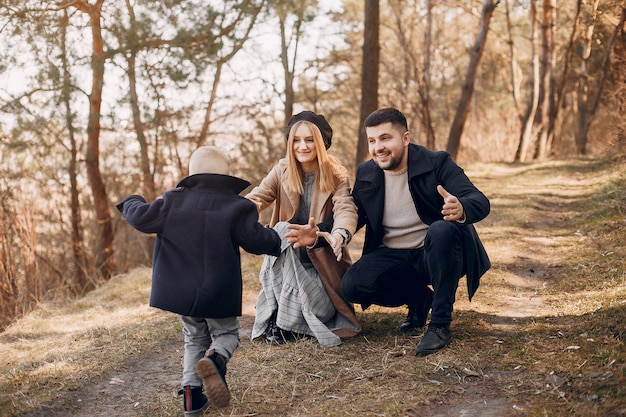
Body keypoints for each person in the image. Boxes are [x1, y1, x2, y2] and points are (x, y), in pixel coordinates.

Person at [116, 146, 281, 415]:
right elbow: (256, 240)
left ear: (191, 175)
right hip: (218, 290)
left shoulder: (172, 201)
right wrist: (277, 239)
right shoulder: (238, 207)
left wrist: (132, 200)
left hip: (180, 292)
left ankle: (192, 398)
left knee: (193, 338)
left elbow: (139, 216)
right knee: (225, 334)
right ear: (227, 178)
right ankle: (215, 359)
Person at [340, 107, 491, 356]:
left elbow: (479, 199)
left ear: (406, 138)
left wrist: (461, 206)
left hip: (437, 253)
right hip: (395, 256)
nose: (378, 147)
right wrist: (322, 232)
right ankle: (420, 300)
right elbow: (354, 215)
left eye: (386, 138)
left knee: (442, 229)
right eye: (372, 140)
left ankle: (440, 324)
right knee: (352, 285)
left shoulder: (437, 162)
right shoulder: (367, 172)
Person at [246, 111, 361, 347]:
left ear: (322, 143)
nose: (303, 146)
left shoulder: (336, 175)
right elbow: (257, 198)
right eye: (297, 140)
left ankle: (286, 322)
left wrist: (339, 234)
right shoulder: (282, 170)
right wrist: (226, 214)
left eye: (309, 140)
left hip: (320, 276)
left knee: (281, 229)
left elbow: (345, 208)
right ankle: (280, 319)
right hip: (285, 265)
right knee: (280, 230)